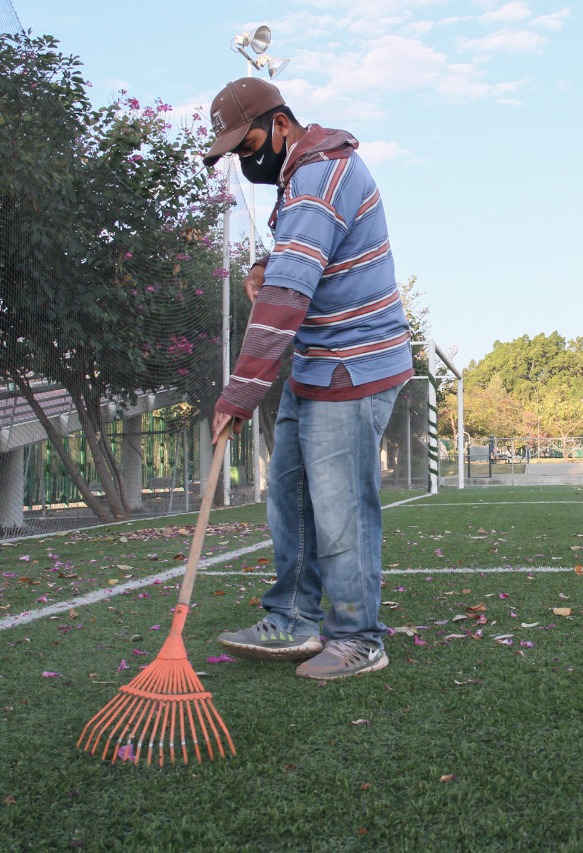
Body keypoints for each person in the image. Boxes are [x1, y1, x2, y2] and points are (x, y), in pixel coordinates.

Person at [203, 78, 413, 680]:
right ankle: (292, 617)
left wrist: (241, 392)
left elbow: (291, 293)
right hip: (316, 363)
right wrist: (266, 262)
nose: (245, 161)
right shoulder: (301, 176)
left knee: (339, 505)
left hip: (354, 364)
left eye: (246, 147)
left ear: (281, 124)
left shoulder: (320, 174)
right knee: (290, 494)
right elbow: (304, 256)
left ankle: (358, 638)